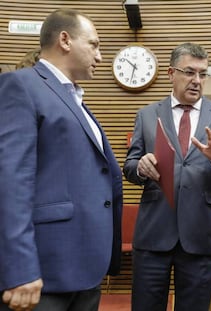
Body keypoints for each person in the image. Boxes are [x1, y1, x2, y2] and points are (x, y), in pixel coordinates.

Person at [0, 9, 123, 311]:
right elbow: (11, 181)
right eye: (94, 45)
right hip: (43, 273)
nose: (100, 56)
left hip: (84, 269)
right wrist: (19, 268)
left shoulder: (74, 98)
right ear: (65, 40)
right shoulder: (22, 85)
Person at [123, 42, 211, 311]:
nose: (197, 81)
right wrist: (140, 167)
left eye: (203, 74)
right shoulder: (146, 115)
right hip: (154, 233)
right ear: (170, 73)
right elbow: (129, 166)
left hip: (201, 235)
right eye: (190, 72)